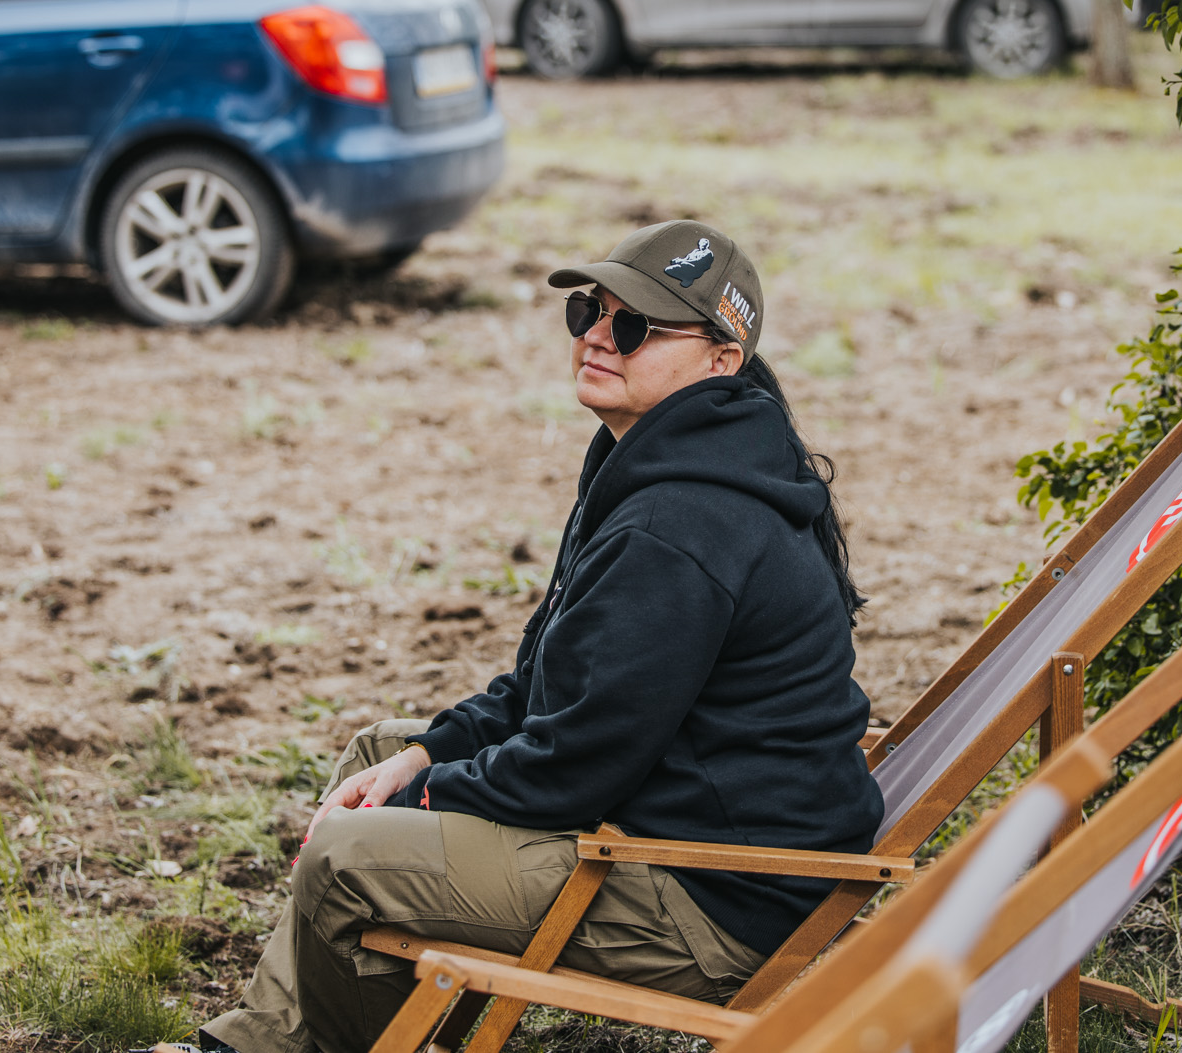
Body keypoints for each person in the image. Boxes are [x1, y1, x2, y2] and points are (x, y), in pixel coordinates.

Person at [192, 220, 884, 1053]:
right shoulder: (666, 462)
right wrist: (425, 756)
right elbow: (550, 676)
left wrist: (428, 793)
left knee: (347, 855)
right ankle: (279, 1038)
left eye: (635, 326)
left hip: (710, 896)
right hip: (671, 823)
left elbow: (576, 760)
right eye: (590, 310)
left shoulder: (684, 523)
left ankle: (278, 1047)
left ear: (721, 359)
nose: (597, 334)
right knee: (378, 751)